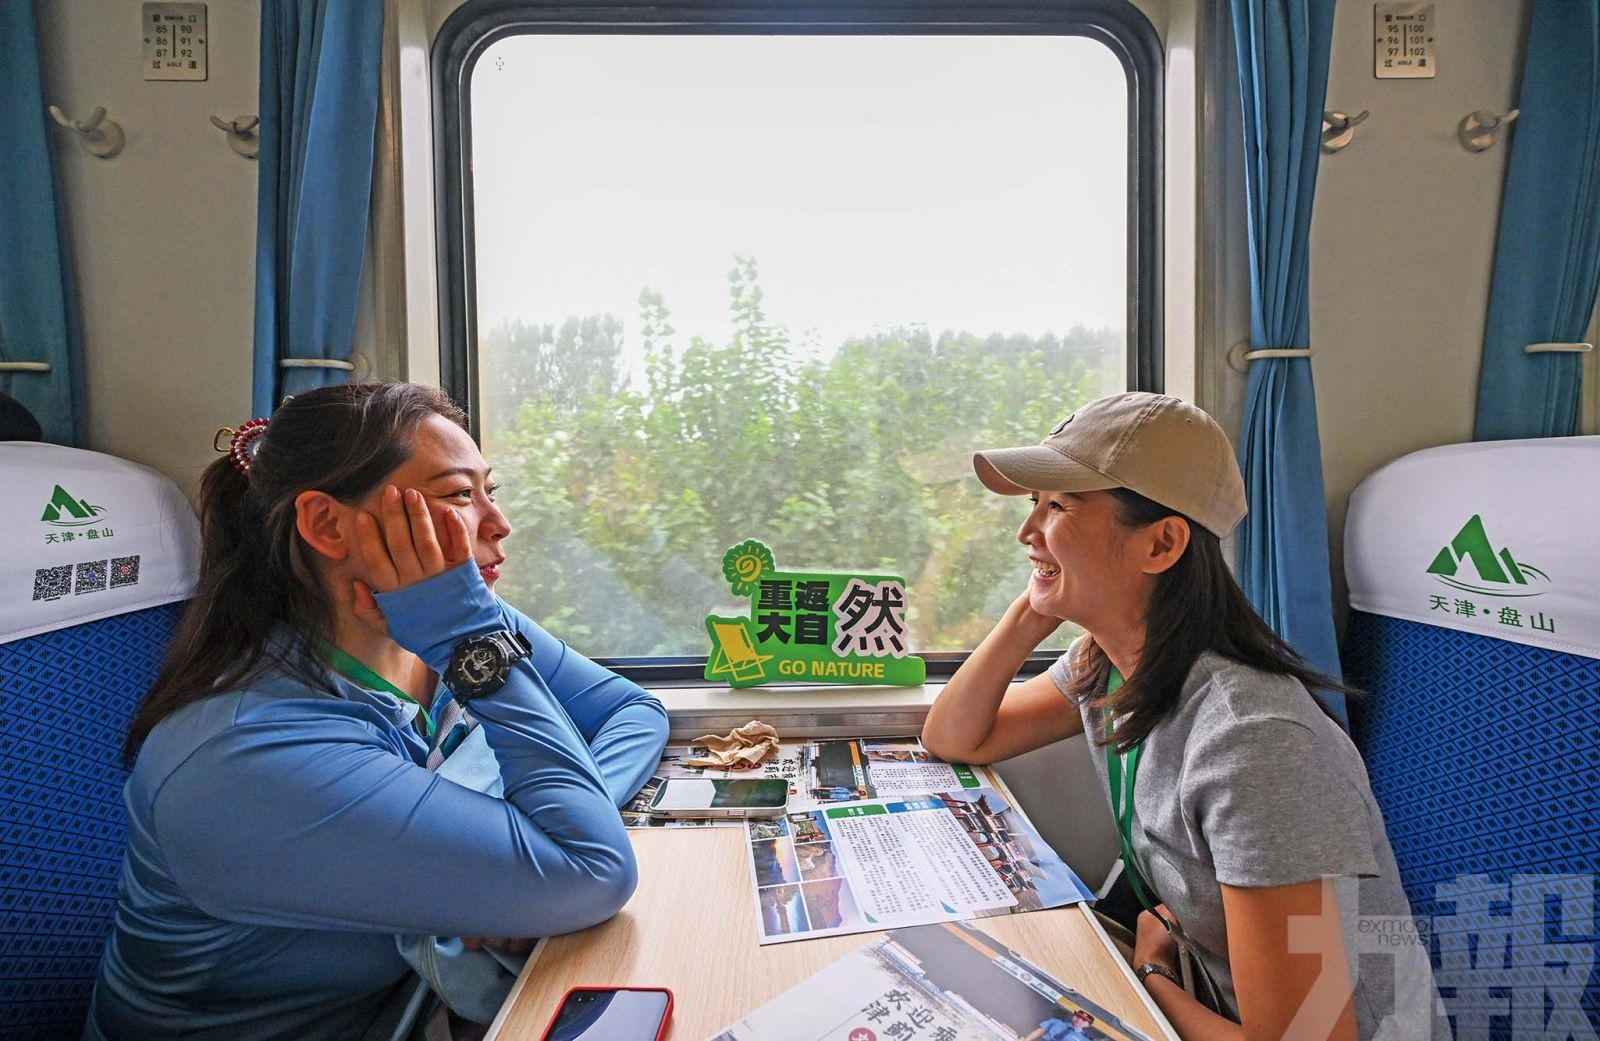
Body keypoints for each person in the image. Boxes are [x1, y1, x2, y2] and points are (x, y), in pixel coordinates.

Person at [84, 383, 669, 1041]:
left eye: (489, 491)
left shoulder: (446, 630)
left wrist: (525, 840)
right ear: (329, 524)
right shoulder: (244, 752)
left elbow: (634, 711)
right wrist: (534, 848)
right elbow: (592, 871)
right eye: (456, 495)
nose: (498, 523)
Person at [921, 393, 1447, 1041]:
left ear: (1163, 542)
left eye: (1057, 506)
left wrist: (1150, 974)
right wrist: (1037, 603)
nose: (1026, 531)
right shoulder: (1106, 664)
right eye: (1032, 504)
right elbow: (954, 734)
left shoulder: (1254, 742)